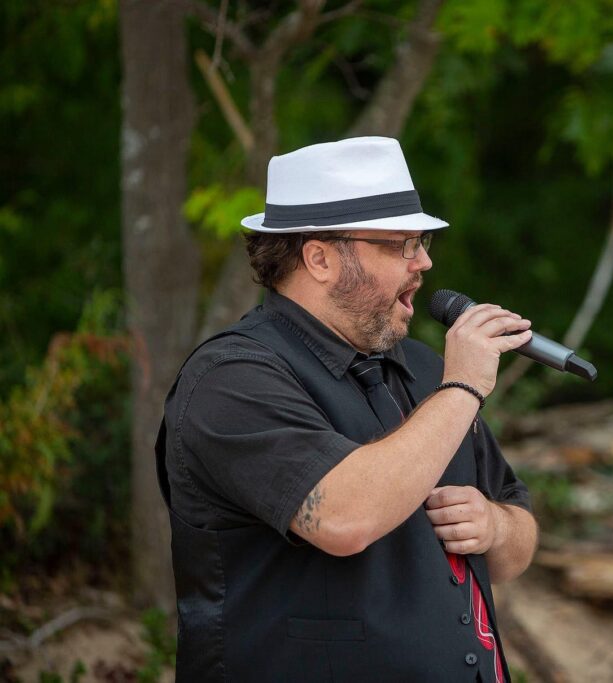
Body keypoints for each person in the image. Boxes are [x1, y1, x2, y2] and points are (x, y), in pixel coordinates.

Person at [155, 137, 538, 682]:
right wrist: (463, 387)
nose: (424, 261)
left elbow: (517, 541)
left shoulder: (428, 369)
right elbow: (343, 518)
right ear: (320, 257)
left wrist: (496, 527)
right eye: (401, 244)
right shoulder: (231, 378)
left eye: (421, 241)